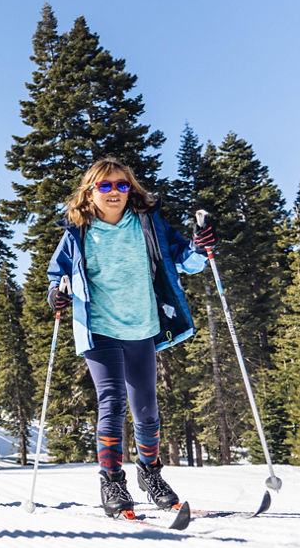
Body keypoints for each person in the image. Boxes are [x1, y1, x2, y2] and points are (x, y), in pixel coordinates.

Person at [46, 157, 216, 517]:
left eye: (121, 185)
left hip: (141, 326)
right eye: (104, 186)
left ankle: (150, 477)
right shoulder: (78, 232)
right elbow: (57, 275)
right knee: (112, 402)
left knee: (146, 409)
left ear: (131, 189)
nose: (114, 192)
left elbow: (182, 259)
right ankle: (112, 481)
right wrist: (56, 293)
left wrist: (200, 247)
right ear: (90, 192)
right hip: (100, 328)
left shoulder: (147, 224)